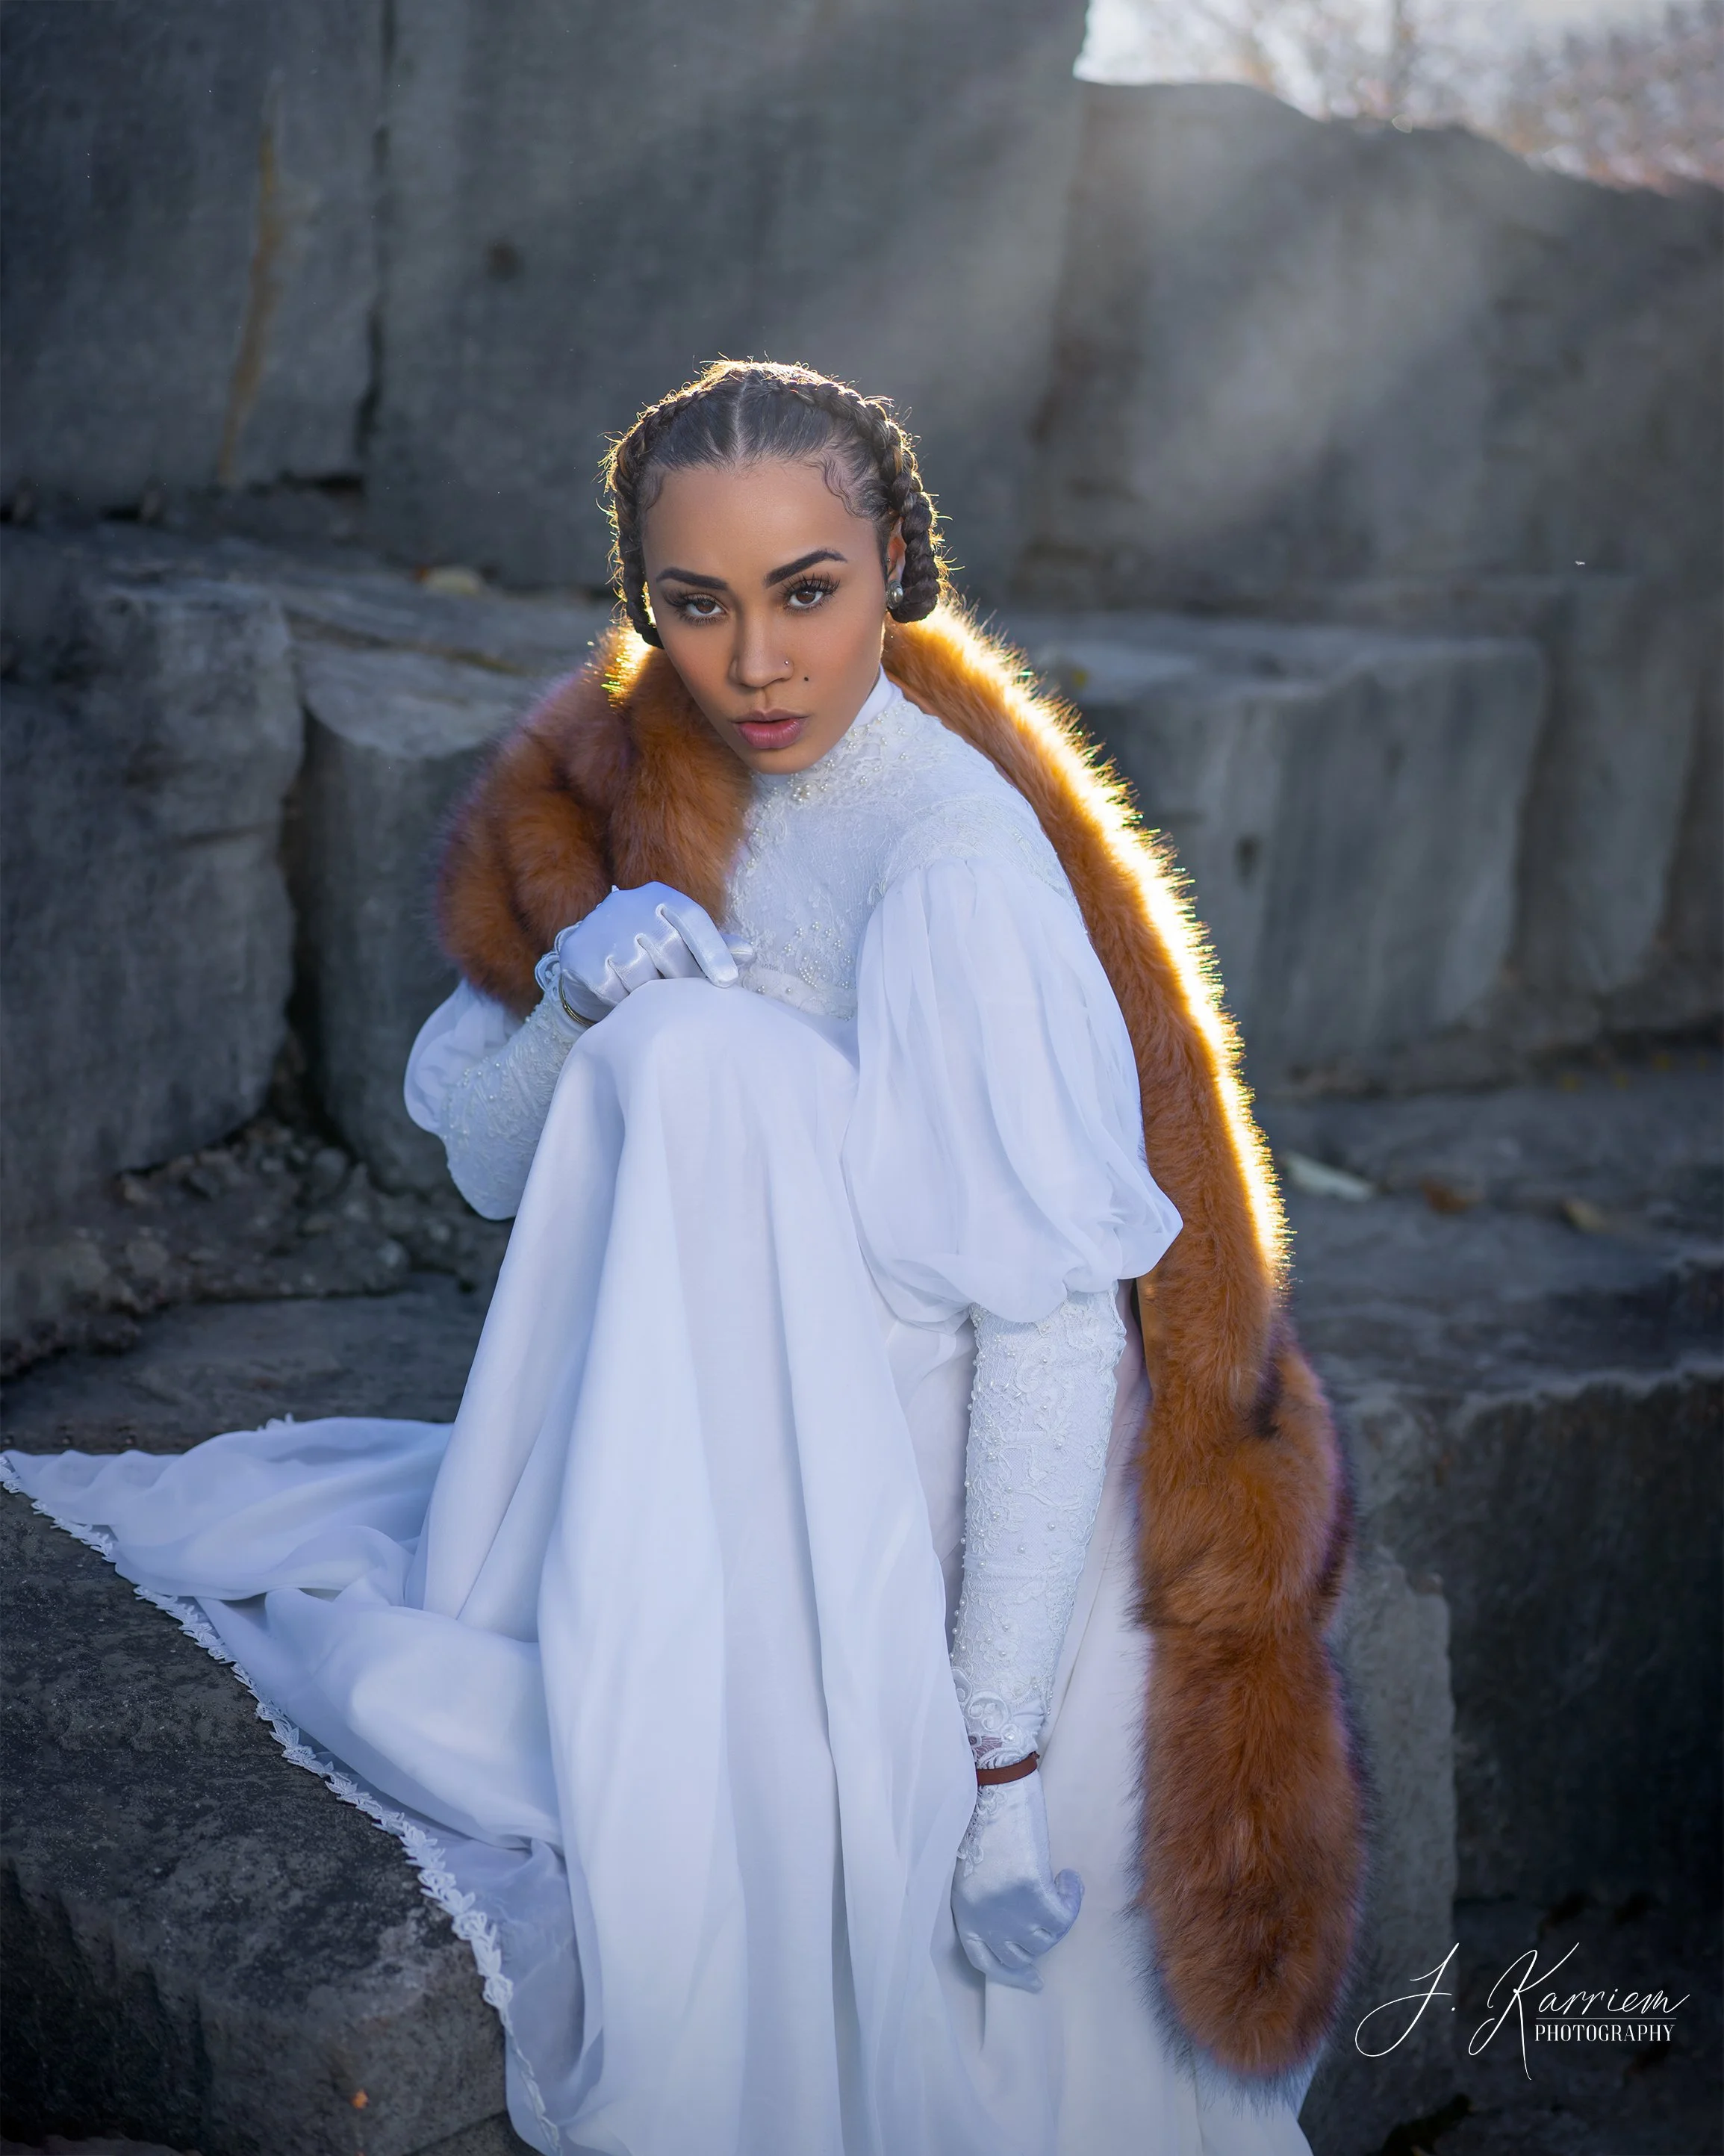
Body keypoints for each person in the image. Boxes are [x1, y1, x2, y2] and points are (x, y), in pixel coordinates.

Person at [3, 362, 1361, 2156]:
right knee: (672, 1045)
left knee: (709, 1057)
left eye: (808, 591)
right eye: (695, 606)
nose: (758, 666)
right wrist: (577, 985)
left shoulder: (954, 869)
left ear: (896, 561)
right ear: (645, 602)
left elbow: (1042, 1342)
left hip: (943, 1499)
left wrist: (998, 1769)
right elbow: (497, 1165)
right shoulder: (671, 762)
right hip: (723, 1387)